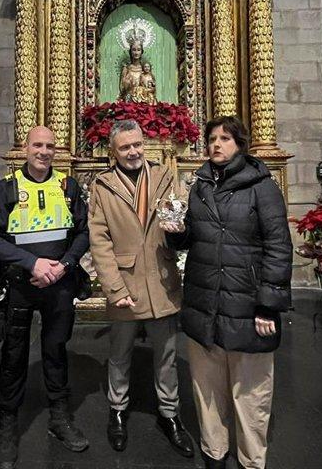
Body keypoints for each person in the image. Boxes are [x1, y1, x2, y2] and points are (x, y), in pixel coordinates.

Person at [163, 116, 292, 469]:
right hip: (205, 299)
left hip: (246, 302)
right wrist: (176, 233)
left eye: (224, 138)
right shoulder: (200, 184)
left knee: (250, 393)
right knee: (207, 390)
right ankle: (214, 454)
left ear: (240, 144)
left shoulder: (262, 187)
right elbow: (193, 238)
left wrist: (268, 305)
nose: (216, 144)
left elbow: (279, 246)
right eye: (211, 139)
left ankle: (252, 461)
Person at [0, 126, 90, 469]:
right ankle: (8, 426)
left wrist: (65, 264)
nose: (44, 151)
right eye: (37, 145)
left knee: (56, 352)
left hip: (59, 284)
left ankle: (59, 418)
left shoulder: (68, 187)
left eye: (50, 146)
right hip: (19, 285)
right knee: (14, 356)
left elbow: (83, 233)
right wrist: (32, 263)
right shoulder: (5, 190)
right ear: (26, 148)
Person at [89, 120, 194, 458]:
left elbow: (177, 220)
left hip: (161, 278)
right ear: (113, 151)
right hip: (126, 282)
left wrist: (179, 228)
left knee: (166, 355)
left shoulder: (164, 175)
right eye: (124, 147)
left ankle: (170, 414)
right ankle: (117, 410)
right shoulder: (103, 186)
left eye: (136, 144)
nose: (133, 151)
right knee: (119, 354)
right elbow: (100, 242)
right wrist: (114, 288)